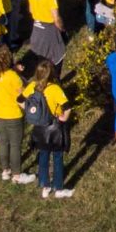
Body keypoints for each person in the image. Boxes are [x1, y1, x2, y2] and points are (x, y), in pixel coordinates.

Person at [23, 57, 74, 200]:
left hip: (39, 128)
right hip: (55, 128)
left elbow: (20, 100)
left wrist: (30, 112)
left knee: (43, 156)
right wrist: (64, 118)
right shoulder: (55, 89)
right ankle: (58, 188)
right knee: (57, 157)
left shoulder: (32, 86)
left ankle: (45, 186)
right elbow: (67, 107)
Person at [0, 48, 30, 183]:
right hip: (13, 114)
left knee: (3, 142)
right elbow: (23, 94)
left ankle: (5, 170)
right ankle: (17, 175)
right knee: (15, 145)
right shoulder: (13, 77)